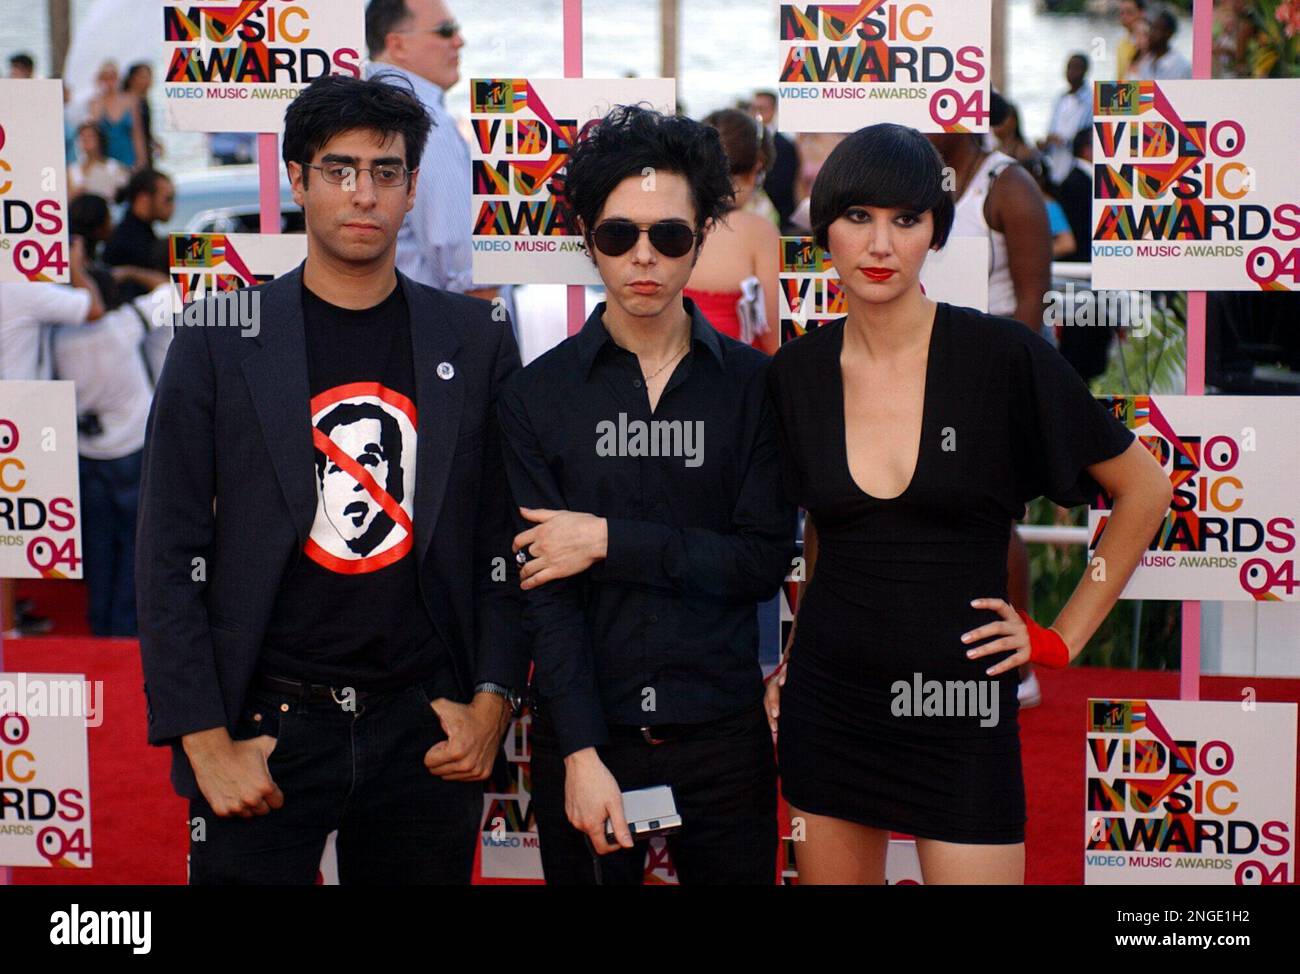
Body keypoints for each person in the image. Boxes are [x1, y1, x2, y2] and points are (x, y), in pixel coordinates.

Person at [135, 73, 529, 884]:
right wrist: (204, 742)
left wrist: (493, 701)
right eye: (338, 169)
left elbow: (503, 538)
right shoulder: (220, 336)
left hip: (423, 730)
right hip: (264, 727)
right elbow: (168, 548)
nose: (363, 193)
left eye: (386, 172)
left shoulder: (476, 336)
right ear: (298, 179)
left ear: (414, 188)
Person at [763, 124, 1174, 884]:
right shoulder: (794, 374)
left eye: (906, 220)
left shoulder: (1002, 358)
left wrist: (1060, 638)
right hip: (831, 704)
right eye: (858, 218)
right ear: (824, 233)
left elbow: (1145, 489)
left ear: (936, 232)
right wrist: (790, 657)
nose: (880, 244)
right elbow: (824, 529)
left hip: (959, 711)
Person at [498, 105, 797, 885]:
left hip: (725, 739)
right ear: (587, 236)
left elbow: (761, 562)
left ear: (701, 239)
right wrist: (585, 754)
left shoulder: (756, 390)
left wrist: (605, 540)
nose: (644, 257)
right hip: (589, 734)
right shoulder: (535, 398)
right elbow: (545, 599)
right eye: (617, 234)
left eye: (669, 235)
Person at [54, 206, 173, 637]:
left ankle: (99, 624)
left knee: (99, 549)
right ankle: (125, 628)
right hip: (135, 452)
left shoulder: (56, 339)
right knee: (136, 547)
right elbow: (172, 291)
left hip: (86, 457)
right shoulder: (127, 324)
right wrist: (132, 274)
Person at [365, 0, 495, 301]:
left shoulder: (360, 111)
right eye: (445, 31)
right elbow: (467, 267)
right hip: (445, 332)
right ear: (397, 45)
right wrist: (492, 343)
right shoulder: (422, 120)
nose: (459, 41)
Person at [684, 108, 780, 355]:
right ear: (757, 168)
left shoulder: (670, 221)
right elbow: (775, 334)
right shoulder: (757, 232)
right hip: (740, 380)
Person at [104, 169, 173, 301]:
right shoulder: (126, 240)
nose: (172, 206)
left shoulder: (141, 232)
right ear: (144, 199)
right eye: (167, 199)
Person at [1038, 53, 1092, 189]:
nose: (1071, 72)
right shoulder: (1060, 99)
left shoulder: (1092, 101)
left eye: (1076, 68)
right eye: (1069, 68)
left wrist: (1065, 142)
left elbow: (1089, 138)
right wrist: (1046, 143)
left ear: (1085, 71)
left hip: (1079, 172)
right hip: (1056, 168)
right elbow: (1051, 131)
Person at [752, 90, 800, 231]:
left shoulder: (786, 146)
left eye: (761, 109)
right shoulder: (745, 141)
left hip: (779, 219)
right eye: (754, 108)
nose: (756, 113)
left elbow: (785, 184)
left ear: (773, 110)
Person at [87, 60, 145, 171]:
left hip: (128, 155)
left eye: (112, 77)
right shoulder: (95, 103)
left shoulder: (130, 101)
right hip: (106, 156)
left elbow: (137, 134)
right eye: (105, 78)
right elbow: (93, 132)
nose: (109, 82)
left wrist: (141, 160)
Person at [69, 122, 129, 201]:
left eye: (90, 136)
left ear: (100, 139)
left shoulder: (114, 167)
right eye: (82, 137)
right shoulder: (72, 170)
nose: (86, 140)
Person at [1131, 6, 1193, 81]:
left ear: (1169, 34)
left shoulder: (1182, 66)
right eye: (1151, 29)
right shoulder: (1144, 63)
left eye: (1156, 30)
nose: (1151, 34)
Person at [123, 63, 160, 170]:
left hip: (146, 150)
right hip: (132, 154)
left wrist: (153, 141)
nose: (148, 81)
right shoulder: (128, 101)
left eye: (149, 76)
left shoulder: (143, 100)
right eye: (143, 76)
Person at [1115, 0, 1147, 80]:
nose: (1124, 16)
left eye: (1129, 12)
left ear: (1142, 13)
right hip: (1125, 90)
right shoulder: (1122, 43)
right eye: (1122, 13)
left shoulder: (1152, 42)